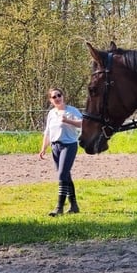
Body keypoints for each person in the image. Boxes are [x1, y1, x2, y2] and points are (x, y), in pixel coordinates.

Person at [39, 88, 84, 216]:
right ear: (51, 100)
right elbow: (47, 132)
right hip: (55, 146)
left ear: (63, 96)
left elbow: (83, 124)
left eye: (59, 95)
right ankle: (74, 205)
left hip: (69, 145)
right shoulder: (51, 113)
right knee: (66, 175)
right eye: (54, 97)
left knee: (62, 174)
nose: (57, 98)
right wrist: (43, 148)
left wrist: (68, 121)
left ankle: (59, 207)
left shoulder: (72, 111)